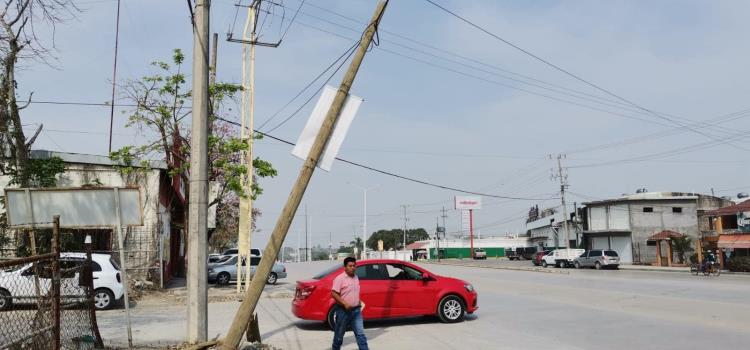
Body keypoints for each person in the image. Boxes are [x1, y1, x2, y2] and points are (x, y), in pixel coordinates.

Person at [331, 257, 368, 350]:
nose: (352, 267)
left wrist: (358, 302)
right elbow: (333, 293)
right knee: (339, 336)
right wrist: (344, 303)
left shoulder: (356, 277)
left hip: (356, 311)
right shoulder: (340, 278)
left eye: (354, 266)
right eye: (350, 266)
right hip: (343, 311)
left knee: (361, 335)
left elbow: (353, 292)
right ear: (345, 267)